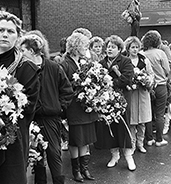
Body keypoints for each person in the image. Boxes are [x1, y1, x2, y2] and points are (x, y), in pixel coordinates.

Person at [0, 11, 40, 184]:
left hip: (10, 141)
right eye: (1, 29)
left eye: (11, 31)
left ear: (18, 36)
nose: (5, 34)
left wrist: (0, 117)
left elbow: (30, 106)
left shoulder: (26, 67)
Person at [19, 30, 74, 184]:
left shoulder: (53, 67)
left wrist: (59, 108)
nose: (20, 53)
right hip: (31, 119)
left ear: (31, 50)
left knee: (54, 154)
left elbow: (67, 91)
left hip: (51, 119)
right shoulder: (23, 69)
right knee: (36, 157)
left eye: (22, 50)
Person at [60, 32, 99, 182]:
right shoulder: (65, 64)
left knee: (85, 139)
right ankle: (76, 170)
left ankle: (85, 169)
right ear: (76, 47)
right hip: (74, 108)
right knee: (75, 140)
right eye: (84, 45)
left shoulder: (83, 62)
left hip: (84, 108)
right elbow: (63, 86)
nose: (86, 48)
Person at [94, 35, 135, 171]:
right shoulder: (101, 63)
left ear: (119, 49)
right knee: (109, 126)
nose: (109, 49)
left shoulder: (126, 61)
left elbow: (126, 79)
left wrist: (110, 83)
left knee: (124, 125)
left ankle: (129, 156)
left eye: (113, 47)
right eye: (108, 47)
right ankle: (114, 155)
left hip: (122, 99)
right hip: (106, 100)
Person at [124, 36, 154, 153]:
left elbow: (151, 74)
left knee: (142, 121)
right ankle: (132, 145)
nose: (135, 50)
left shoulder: (144, 60)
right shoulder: (125, 60)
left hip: (142, 93)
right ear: (128, 48)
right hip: (131, 93)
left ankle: (140, 143)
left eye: (137, 47)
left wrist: (147, 80)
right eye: (132, 47)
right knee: (132, 120)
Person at [141, 30, 170, 146]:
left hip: (147, 86)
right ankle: (159, 139)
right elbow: (167, 70)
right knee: (160, 113)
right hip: (161, 86)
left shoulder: (142, 54)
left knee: (148, 113)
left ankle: (148, 139)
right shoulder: (160, 53)